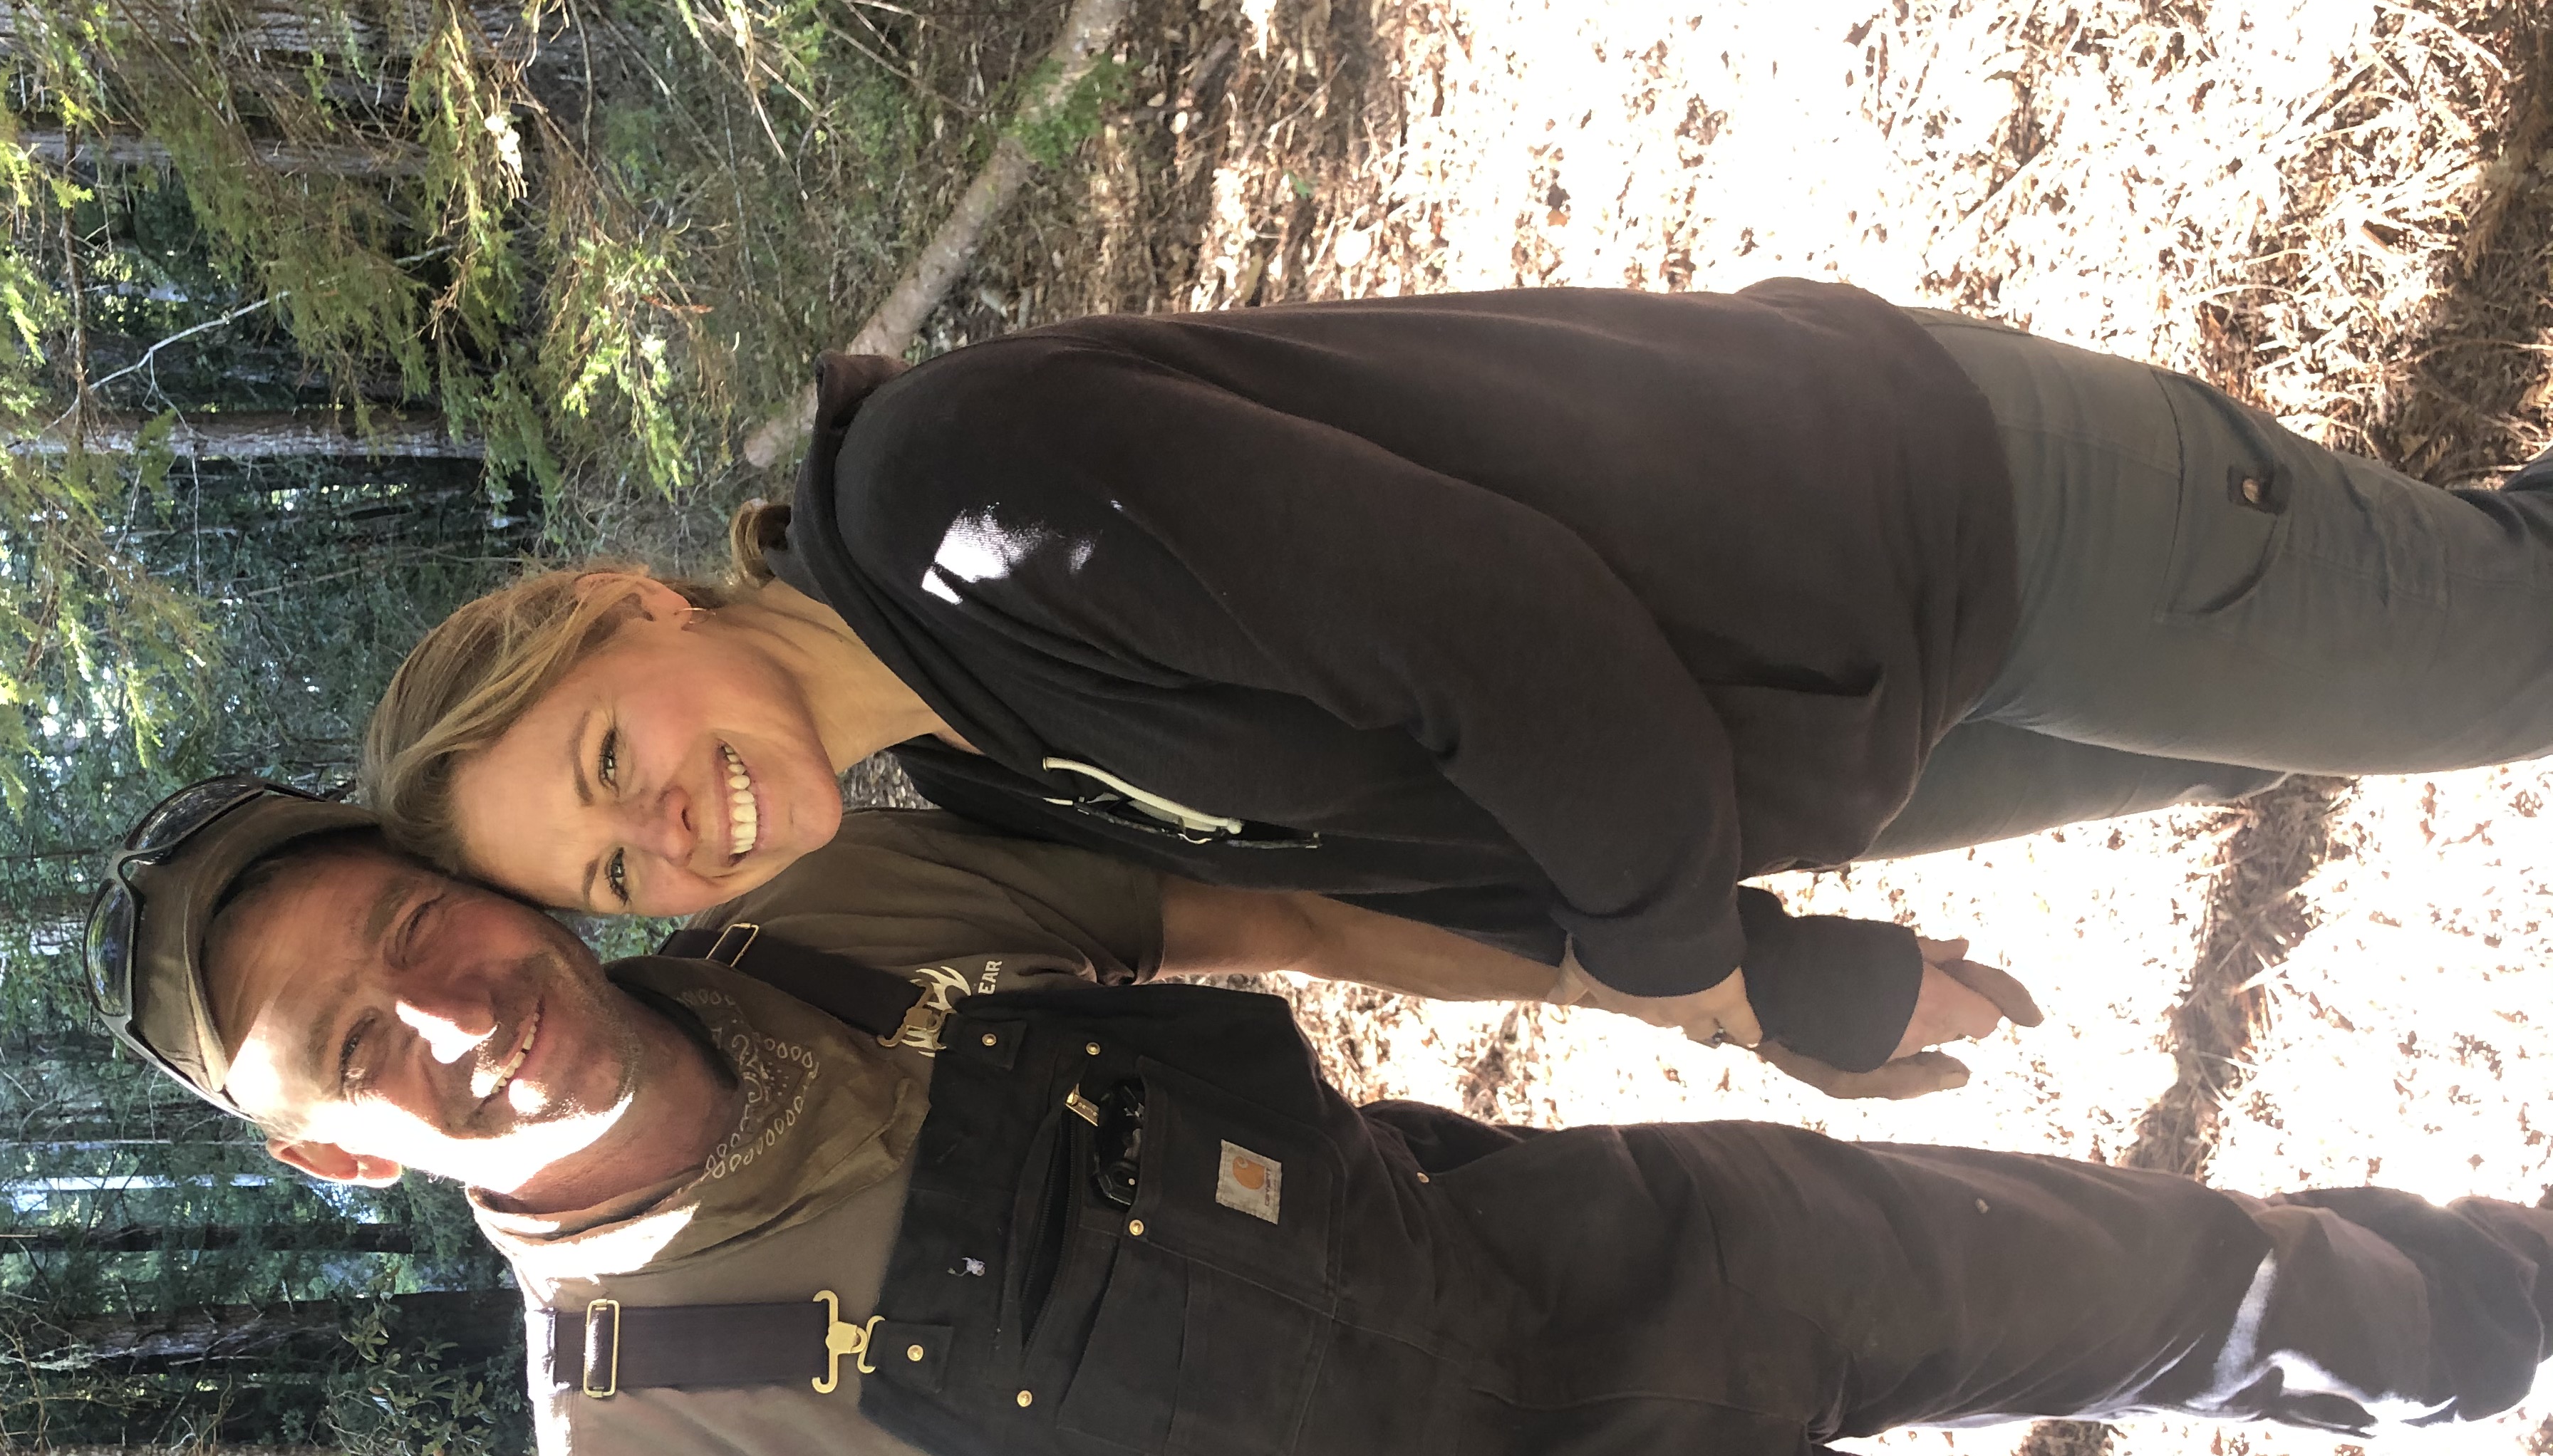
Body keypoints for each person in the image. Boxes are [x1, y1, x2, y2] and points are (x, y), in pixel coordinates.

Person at [86, 773, 2553, 1456]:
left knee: (2203, 1275)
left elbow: (1256, 926)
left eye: (406, 929)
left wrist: (1701, 1002)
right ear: (340, 1153)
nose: (442, 1015)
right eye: (349, 1046)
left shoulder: (829, 917)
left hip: (1610, 1242)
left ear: (458, 878)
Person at [358, 282, 2553, 1089]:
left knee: (2516, 643)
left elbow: (1512, 648)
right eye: (610, 870)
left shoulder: (960, 501)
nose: (664, 831)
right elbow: (1410, 862)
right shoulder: (982, 767)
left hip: (1931, 521)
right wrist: (1783, 984)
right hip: (1858, 731)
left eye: (607, 759)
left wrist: (1688, 962)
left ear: (629, 611)